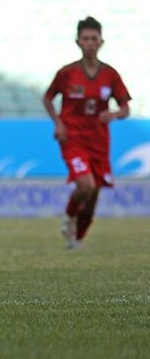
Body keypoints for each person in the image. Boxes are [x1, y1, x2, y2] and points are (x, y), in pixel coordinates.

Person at [43, 16, 130, 249]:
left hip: (99, 141)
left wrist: (115, 114)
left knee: (92, 198)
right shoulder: (67, 73)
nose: (90, 42)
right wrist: (58, 123)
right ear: (78, 42)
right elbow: (48, 97)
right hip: (72, 138)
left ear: (101, 41)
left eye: (94, 38)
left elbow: (125, 107)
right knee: (86, 185)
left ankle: (77, 240)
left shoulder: (110, 74)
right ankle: (69, 217)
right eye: (85, 38)